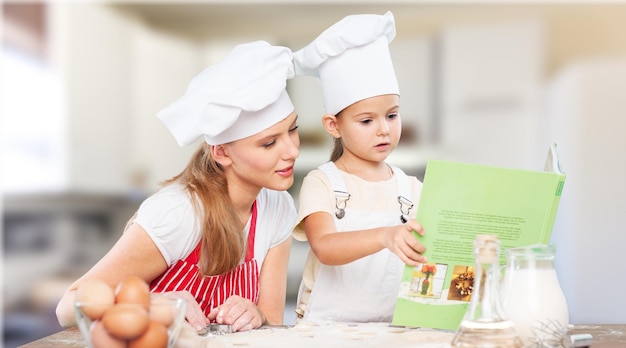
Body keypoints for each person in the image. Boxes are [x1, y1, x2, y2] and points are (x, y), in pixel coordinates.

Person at [55, 40, 300, 333]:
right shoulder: (179, 213)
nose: (292, 151)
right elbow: (68, 307)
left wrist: (256, 313)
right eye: (269, 143)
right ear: (221, 153)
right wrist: (149, 303)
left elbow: (272, 320)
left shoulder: (278, 205)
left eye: (293, 130)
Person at [291, 11, 427, 323]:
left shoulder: (411, 189)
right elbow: (325, 246)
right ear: (333, 125)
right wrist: (385, 236)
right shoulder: (321, 182)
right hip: (325, 332)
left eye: (392, 115)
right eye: (367, 120)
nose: (384, 129)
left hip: (393, 330)